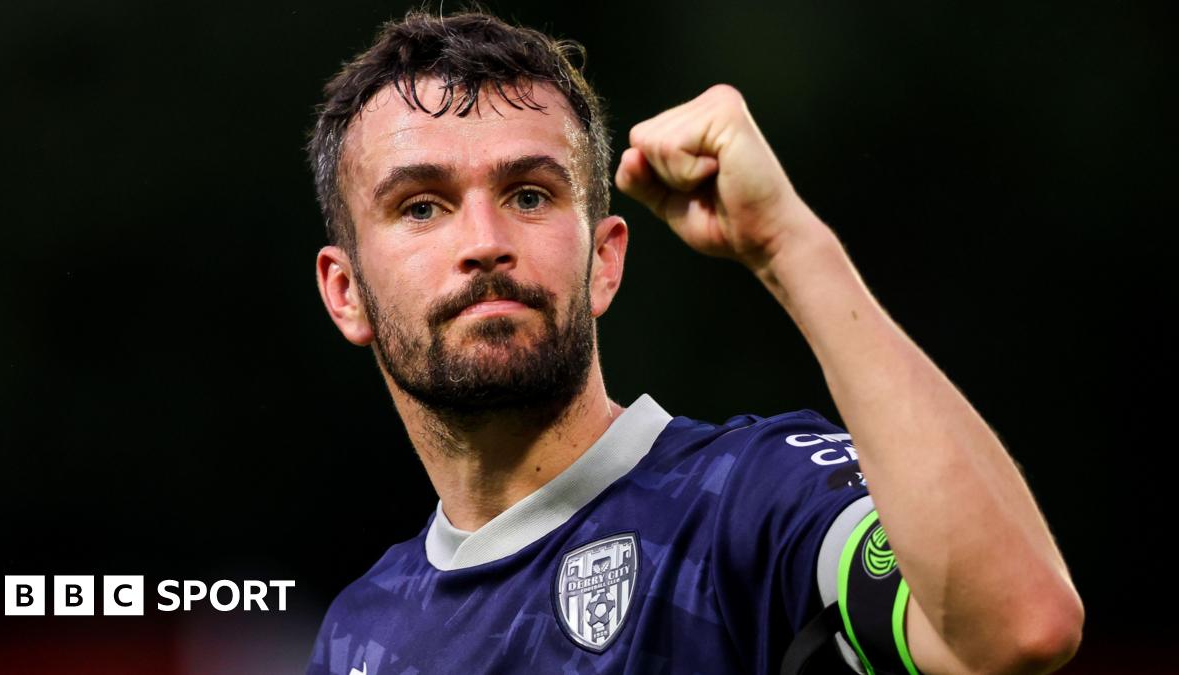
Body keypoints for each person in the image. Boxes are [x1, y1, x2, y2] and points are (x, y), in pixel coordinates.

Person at [304, 10, 1083, 675]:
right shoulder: (356, 634)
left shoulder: (754, 500)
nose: (485, 241)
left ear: (605, 261)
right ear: (345, 291)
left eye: (530, 194)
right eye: (421, 207)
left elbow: (1019, 628)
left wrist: (788, 244)